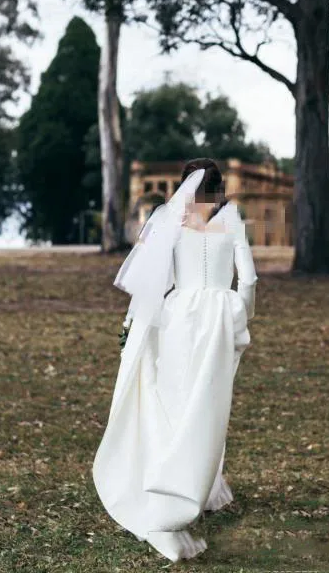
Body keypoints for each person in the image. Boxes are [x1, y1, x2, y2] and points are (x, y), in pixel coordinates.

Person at [92, 158, 258, 562]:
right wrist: (241, 314)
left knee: (175, 398)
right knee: (209, 402)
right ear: (220, 190)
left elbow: (152, 280)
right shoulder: (231, 219)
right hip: (218, 319)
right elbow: (249, 278)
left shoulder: (169, 222)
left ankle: (187, 478)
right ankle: (195, 480)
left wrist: (137, 326)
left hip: (178, 316)